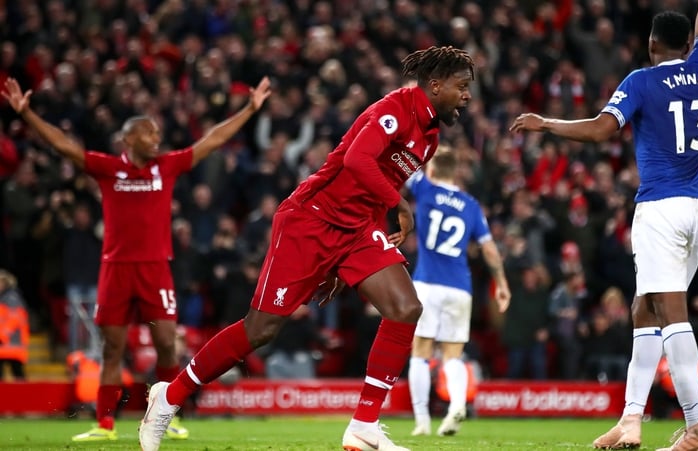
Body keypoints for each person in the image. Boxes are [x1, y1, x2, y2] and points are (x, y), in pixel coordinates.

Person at [138, 45, 475, 451]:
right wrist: (400, 204)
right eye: (461, 86)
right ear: (435, 86)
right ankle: (168, 397)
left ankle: (364, 425)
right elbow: (357, 161)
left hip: (356, 229)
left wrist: (342, 263)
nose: (467, 96)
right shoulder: (396, 109)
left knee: (406, 308)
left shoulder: (431, 137)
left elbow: (372, 190)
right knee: (260, 330)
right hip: (310, 221)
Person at [2, 76, 273, 441]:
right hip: (115, 269)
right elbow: (64, 145)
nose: (156, 139)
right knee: (112, 348)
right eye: (149, 133)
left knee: (165, 343)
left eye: (157, 133)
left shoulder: (168, 166)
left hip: (156, 268)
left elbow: (214, 140)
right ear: (128, 139)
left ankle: (165, 416)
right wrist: (27, 113)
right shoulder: (109, 168)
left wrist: (250, 109)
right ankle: (105, 425)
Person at [510, 0, 698, 448]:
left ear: (650, 45)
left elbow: (603, 128)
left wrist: (546, 123)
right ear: (687, 44)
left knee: (670, 314)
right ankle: (630, 420)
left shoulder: (641, 81)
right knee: (644, 310)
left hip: (661, 209)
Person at [405, 146, 510, 437]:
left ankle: (422, 421)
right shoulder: (471, 204)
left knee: (421, 351)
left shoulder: (424, 187)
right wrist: (501, 283)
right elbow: (489, 248)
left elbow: (400, 162)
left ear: (433, 170)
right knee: (453, 355)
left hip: (427, 283)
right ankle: (457, 407)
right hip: (460, 288)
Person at [0, 269, 28, 381]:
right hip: (4, 346)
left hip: (11, 344)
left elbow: (15, 319)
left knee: (18, 375)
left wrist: (2, 335)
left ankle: (25, 397)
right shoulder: (3, 298)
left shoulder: (11, 298)